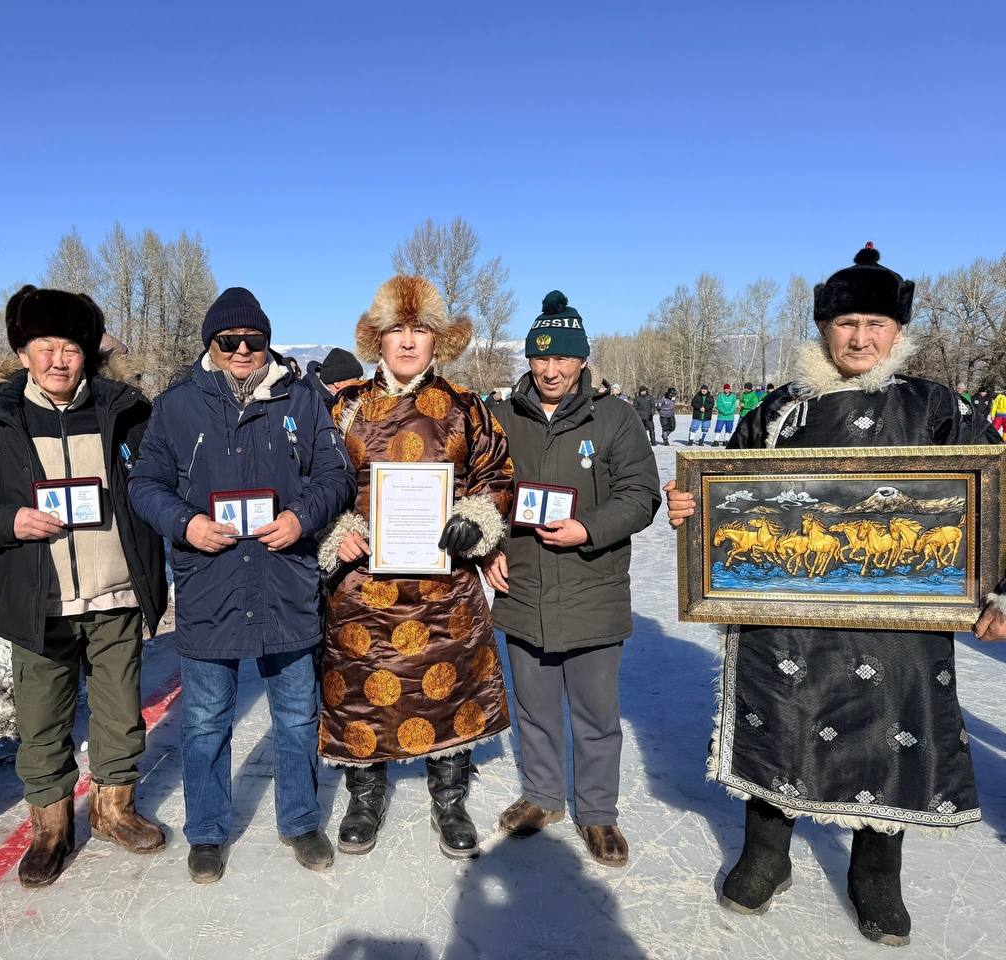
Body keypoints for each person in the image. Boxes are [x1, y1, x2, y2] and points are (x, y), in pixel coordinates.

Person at [664, 244, 1006, 947]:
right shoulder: (782, 410)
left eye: (875, 324)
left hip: (899, 622)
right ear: (823, 327)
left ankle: (876, 873)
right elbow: (726, 487)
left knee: (890, 730)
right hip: (784, 621)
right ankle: (766, 855)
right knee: (778, 717)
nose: (859, 338)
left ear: (897, 331)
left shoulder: (935, 406)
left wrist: (1001, 587)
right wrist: (689, 506)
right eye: (846, 322)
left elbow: (997, 498)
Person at [129, 286, 356, 883]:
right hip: (211, 582)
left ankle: (301, 820)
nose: (241, 350)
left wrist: (302, 517)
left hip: (285, 579)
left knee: (297, 715)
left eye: (252, 341)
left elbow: (337, 475)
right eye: (229, 341)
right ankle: (207, 831)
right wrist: (186, 524)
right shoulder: (177, 405)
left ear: (266, 342)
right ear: (211, 342)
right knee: (205, 718)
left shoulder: (302, 398)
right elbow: (145, 484)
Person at [0, 286, 169, 888]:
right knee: (43, 720)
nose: (57, 359)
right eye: (43, 346)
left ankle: (113, 809)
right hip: (39, 599)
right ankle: (51, 828)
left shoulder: (126, 410)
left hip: (116, 590)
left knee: (121, 714)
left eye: (69, 346)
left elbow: (158, 483)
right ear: (22, 352)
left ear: (87, 353)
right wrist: (8, 522)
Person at [318, 275, 514, 860]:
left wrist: (477, 519)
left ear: (439, 341)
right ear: (377, 338)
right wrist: (335, 533)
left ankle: (450, 799)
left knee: (446, 689)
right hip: (362, 589)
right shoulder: (342, 407)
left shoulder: (465, 409)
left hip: (443, 588)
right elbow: (310, 483)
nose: (407, 342)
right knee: (362, 691)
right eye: (396, 330)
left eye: (420, 330)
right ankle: (363, 797)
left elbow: (497, 474)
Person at [485, 293, 660, 866]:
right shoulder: (503, 418)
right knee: (533, 706)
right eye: (541, 359)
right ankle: (541, 797)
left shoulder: (614, 417)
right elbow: (480, 494)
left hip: (593, 588)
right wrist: (487, 550)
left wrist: (588, 528)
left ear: (582, 360)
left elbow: (641, 496)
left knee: (594, 713)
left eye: (563, 359)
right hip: (524, 587)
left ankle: (597, 812)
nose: (551, 370)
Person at [304, 346, 365, 410]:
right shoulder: (307, 402)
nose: (358, 384)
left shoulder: (336, 400)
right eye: (356, 380)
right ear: (337, 383)